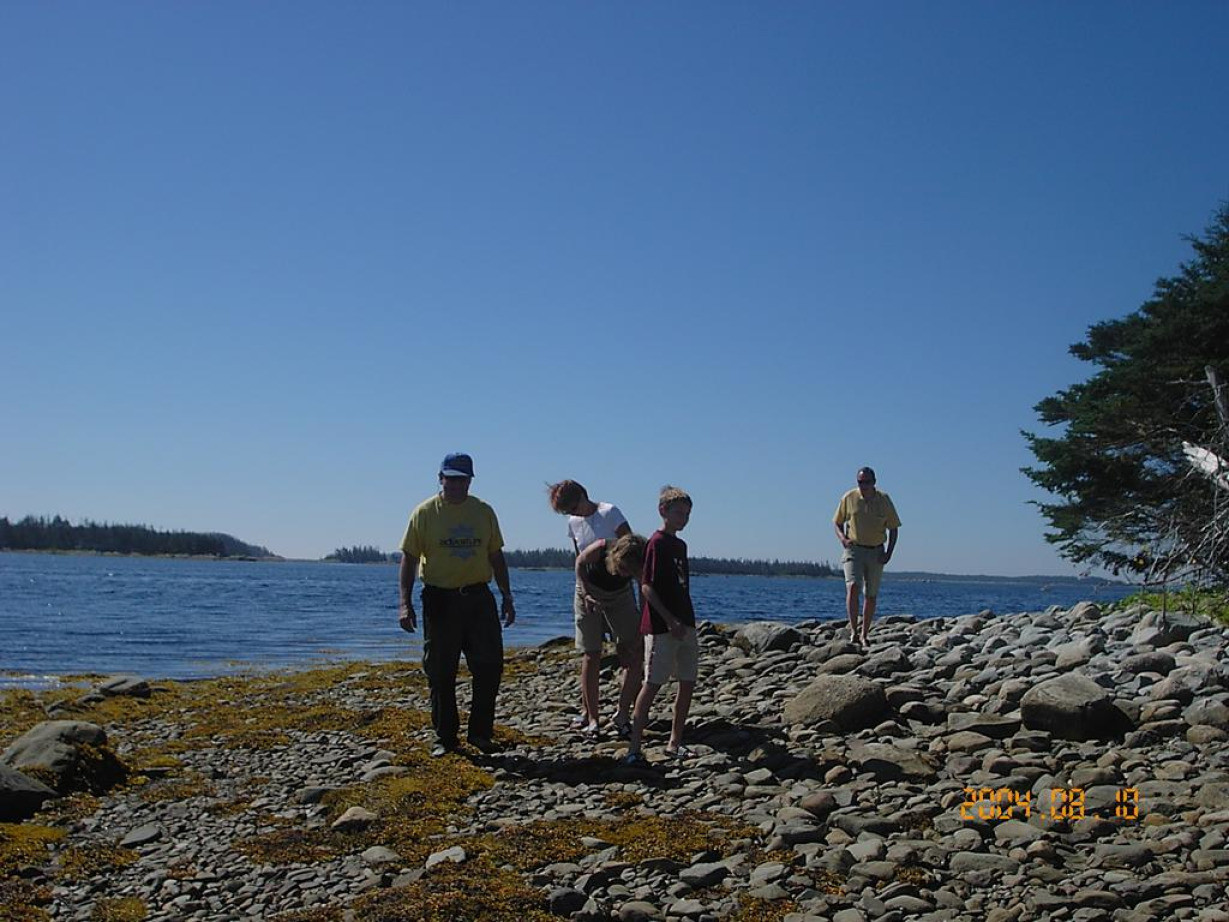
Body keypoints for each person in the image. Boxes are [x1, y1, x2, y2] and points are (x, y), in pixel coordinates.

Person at [399, 452, 515, 757]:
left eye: (462, 480)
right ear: (440, 479)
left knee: (489, 667)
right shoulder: (424, 513)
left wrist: (507, 596)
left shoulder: (483, 512)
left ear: (470, 482)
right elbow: (409, 558)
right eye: (450, 480)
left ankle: (480, 734)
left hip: (478, 598)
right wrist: (404, 603)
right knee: (440, 671)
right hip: (440, 600)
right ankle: (445, 738)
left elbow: (496, 556)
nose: (456, 486)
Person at [548, 480, 641, 738]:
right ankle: (591, 717)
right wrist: (586, 593)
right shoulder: (573, 523)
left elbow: (633, 551)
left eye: (572, 507)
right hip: (587, 589)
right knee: (591, 653)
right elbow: (579, 560)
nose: (572, 513)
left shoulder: (609, 512)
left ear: (582, 495)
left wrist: (643, 599)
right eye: (566, 511)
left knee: (632, 650)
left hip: (619, 591)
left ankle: (623, 713)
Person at [623, 486, 698, 766]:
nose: (683, 519)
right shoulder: (656, 543)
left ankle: (675, 742)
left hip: (686, 622)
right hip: (661, 627)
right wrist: (668, 620)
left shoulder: (680, 546)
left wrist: (684, 620)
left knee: (687, 682)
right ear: (663, 511)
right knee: (652, 684)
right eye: (679, 513)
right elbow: (647, 587)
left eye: (687, 514)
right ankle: (634, 747)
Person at [833, 466, 901, 647]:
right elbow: (837, 522)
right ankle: (854, 631)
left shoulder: (884, 500)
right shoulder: (849, 497)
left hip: (876, 551)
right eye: (860, 482)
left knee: (871, 595)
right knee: (853, 586)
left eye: (867, 482)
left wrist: (889, 553)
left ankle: (864, 634)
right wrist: (843, 539)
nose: (863, 486)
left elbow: (894, 528)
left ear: (874, 482)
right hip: (854, 550)